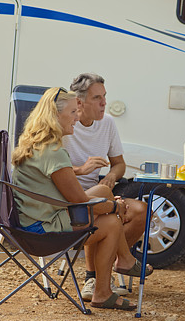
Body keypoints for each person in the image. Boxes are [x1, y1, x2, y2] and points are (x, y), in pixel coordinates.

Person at [11, 87, 150, 311]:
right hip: (41, 229)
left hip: (32, 218)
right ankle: (103, 291)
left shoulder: (35, 144)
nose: (78, 117)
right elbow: (80, 202)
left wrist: (108, 202)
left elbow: (72, 191)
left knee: (103, 193)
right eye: (73, 112)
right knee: (113, 222)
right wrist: (116, 206)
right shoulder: (54, 151)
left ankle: (124, 260)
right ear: (55, 116)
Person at [62, 73, 149, 300]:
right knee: (103, 205)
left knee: (140, 211)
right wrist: (82, 169)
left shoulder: (107, 123)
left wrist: (111, 176)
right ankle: (95, 275)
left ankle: (105, 271)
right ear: (80, 102)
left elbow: (119, 164)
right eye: (97, 98)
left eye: (105, 96)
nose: (104, 103)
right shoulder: (64, 125)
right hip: (70, 198)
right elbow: (50, 169)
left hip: (97, 192)